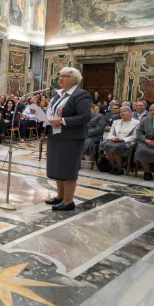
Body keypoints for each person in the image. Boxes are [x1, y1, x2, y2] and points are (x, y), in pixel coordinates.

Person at [40, 67, 91, 211]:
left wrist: (63, 121)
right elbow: (53, 112)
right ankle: (60, 196)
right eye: (60, 76)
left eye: (65, 76)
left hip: (71, 138)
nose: (60, 79)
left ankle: (68, 201)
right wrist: (42, 115)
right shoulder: (57, 95)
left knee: (68, 168)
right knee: (58, 166)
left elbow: (85, 116)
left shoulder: (81, 95)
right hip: (56, 135)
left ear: (74, 79)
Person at [100, 106, 139, 175]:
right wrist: (113, 138)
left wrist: (122, 139)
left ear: (130, 113)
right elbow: (111, 133)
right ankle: (113, 166)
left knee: (116, 148)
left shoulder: (137, 123)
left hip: (127, 140)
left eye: (124, 111)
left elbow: (135, 136)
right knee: (107, 145)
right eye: (121, 112)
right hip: (115, 139)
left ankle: (120, 169)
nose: (122, 113)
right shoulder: (116, 122)